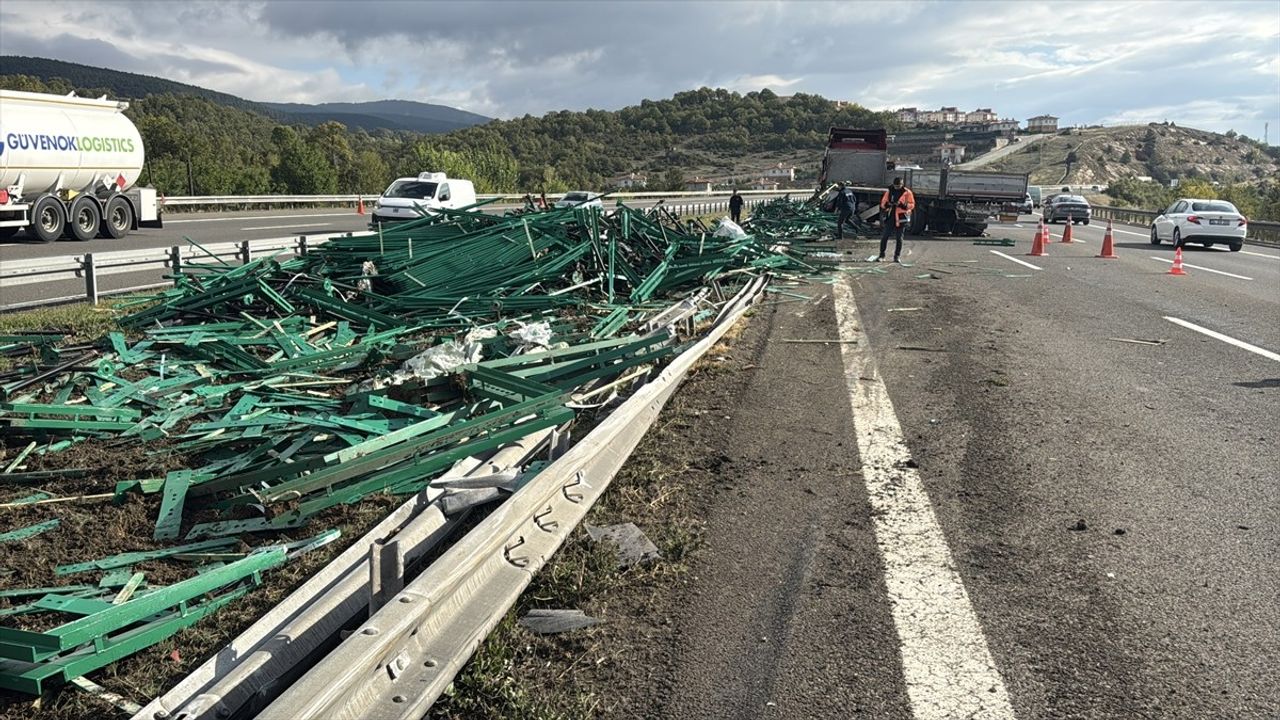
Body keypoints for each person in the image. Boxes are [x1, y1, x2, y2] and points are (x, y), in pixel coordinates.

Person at [878, 177, 915, 262]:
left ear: (902, 184)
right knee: (885, 236)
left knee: (899, 238)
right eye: (895, 186)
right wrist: (888, 204)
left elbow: (912, 204)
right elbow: (883, 203)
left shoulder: (907, 192)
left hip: (901, 218)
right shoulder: (889, 191)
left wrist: (903, 205)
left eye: (898, 186)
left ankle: (897, 256)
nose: (897, 188)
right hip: (890, 217)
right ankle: (881, 255)